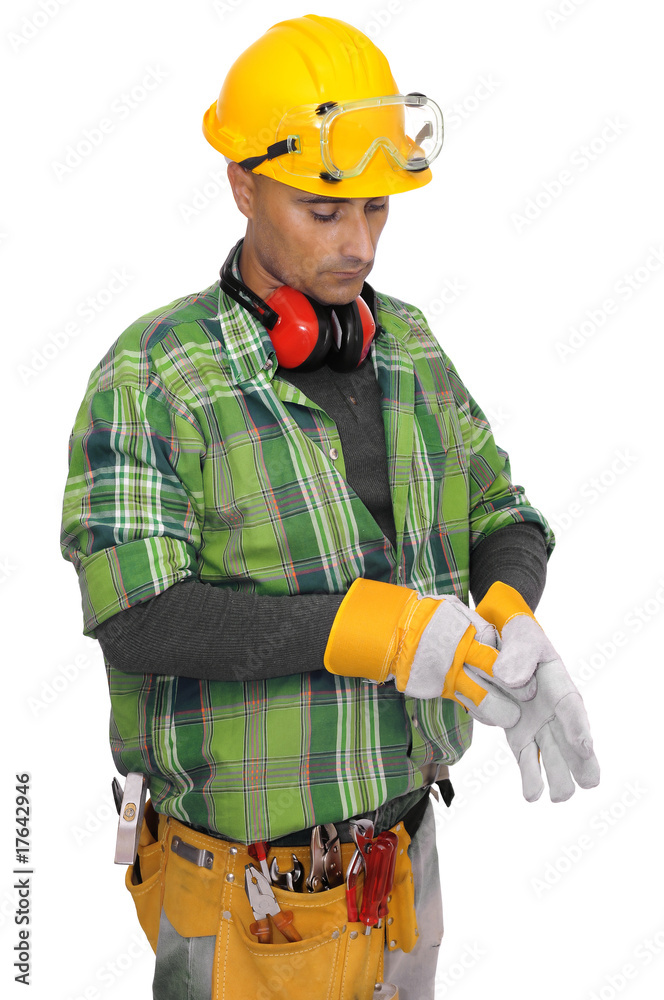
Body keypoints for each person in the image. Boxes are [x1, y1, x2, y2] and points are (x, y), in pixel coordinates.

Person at [60, 14, 599, 1000]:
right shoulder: (154, 375)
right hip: (248, 895)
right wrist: (380, 632)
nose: (359, 245)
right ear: (242, 184)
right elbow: (138, 615)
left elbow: (503, 510)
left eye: (377, 209)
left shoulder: (409, 345)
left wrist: (508, 608)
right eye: (323, 210)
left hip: (403, 862)